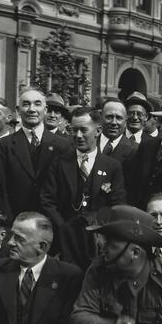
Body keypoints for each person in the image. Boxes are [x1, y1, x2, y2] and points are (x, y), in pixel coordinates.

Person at [40, 107, 128, 266]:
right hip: (64, 241)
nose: (78, 136)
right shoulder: (59, 162)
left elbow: (118, 204)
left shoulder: (112, 166)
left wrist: (102, 232)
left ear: (98, 130)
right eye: (74, 130)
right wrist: (63, 228)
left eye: (83, 130)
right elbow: (47, 200)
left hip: (98, 244)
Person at [0, 89, 73, 218]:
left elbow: (66, 190)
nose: (32, 109)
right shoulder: (4, 145)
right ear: (18, 110)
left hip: (52, 222)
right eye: (26, 104)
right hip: (16, 221)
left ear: (45, 110)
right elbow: (1, 189)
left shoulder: (62, 145)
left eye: (37, 104)